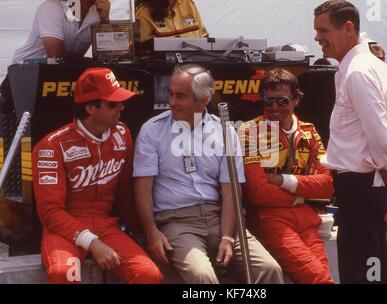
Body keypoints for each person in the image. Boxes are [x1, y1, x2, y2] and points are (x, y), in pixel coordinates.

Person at [133, 64, 283, 284]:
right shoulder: (152, 130)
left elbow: (230, 189)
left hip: (219, 217)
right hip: (177, 221)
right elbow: (142, 188)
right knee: (202, 277)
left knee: (269, 270)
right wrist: (151, 231)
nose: (172, 102)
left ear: (202, 101)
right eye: (171, 93)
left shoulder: (225, 131)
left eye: (181, 96)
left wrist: (227, 237)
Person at [32, 67, 163, 284]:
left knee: (148, 274)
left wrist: (144, 232)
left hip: (106, 225)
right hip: (65, 228)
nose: (121, 107)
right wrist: (91, 242)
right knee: (63, 273)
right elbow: (50, 212)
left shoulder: (123, 135)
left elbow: (125, 194)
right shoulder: (51, 146)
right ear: (91, 107)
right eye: (113, 103)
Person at [313, 0, 387, 284]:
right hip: (366, 186)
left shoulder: (358, 71)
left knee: (362, 269)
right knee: (374, 263)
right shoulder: (369, 66)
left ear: (347, 28)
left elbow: (381, 134)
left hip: (361, 187)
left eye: (323, 30)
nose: (318, 38)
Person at [241, 68, 334, 284]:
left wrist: (284, 181)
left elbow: (328, 184)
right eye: (268, 101)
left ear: (296, 100)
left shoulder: (309, 132)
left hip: (307, 218)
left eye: (282, 101)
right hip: (271, 219)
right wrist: (304, 194)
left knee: (323, 275)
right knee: (319, 279)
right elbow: (258, 193)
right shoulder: (249, 131)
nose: (274, 107)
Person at [12, 0, 110, 64]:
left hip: (60, 74)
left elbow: (107, 57)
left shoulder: (97, 12)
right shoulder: (51, 8)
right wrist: (91, 62)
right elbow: (56, 58)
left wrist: (105, 20)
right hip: (23, 74)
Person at [136, 0, 208, 44]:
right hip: (164, 67)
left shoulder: (188, 4)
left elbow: (205, 39)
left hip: (196, 64)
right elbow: (143, 53)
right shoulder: (143, 13)